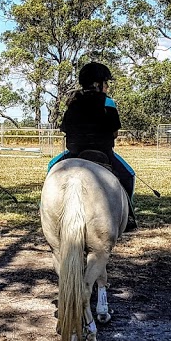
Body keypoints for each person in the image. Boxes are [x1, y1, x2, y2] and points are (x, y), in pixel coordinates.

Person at [48, 62, 137, 232]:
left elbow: (65, 129)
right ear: (98, 84)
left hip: (74, 153)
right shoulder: (108, 103)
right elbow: (115, 133)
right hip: (103, 152)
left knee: (51, 167)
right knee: (129, 176)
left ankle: (44, 209)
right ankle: (129, 216)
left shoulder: (72, 103)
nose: (108, 86)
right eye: (106, 83)